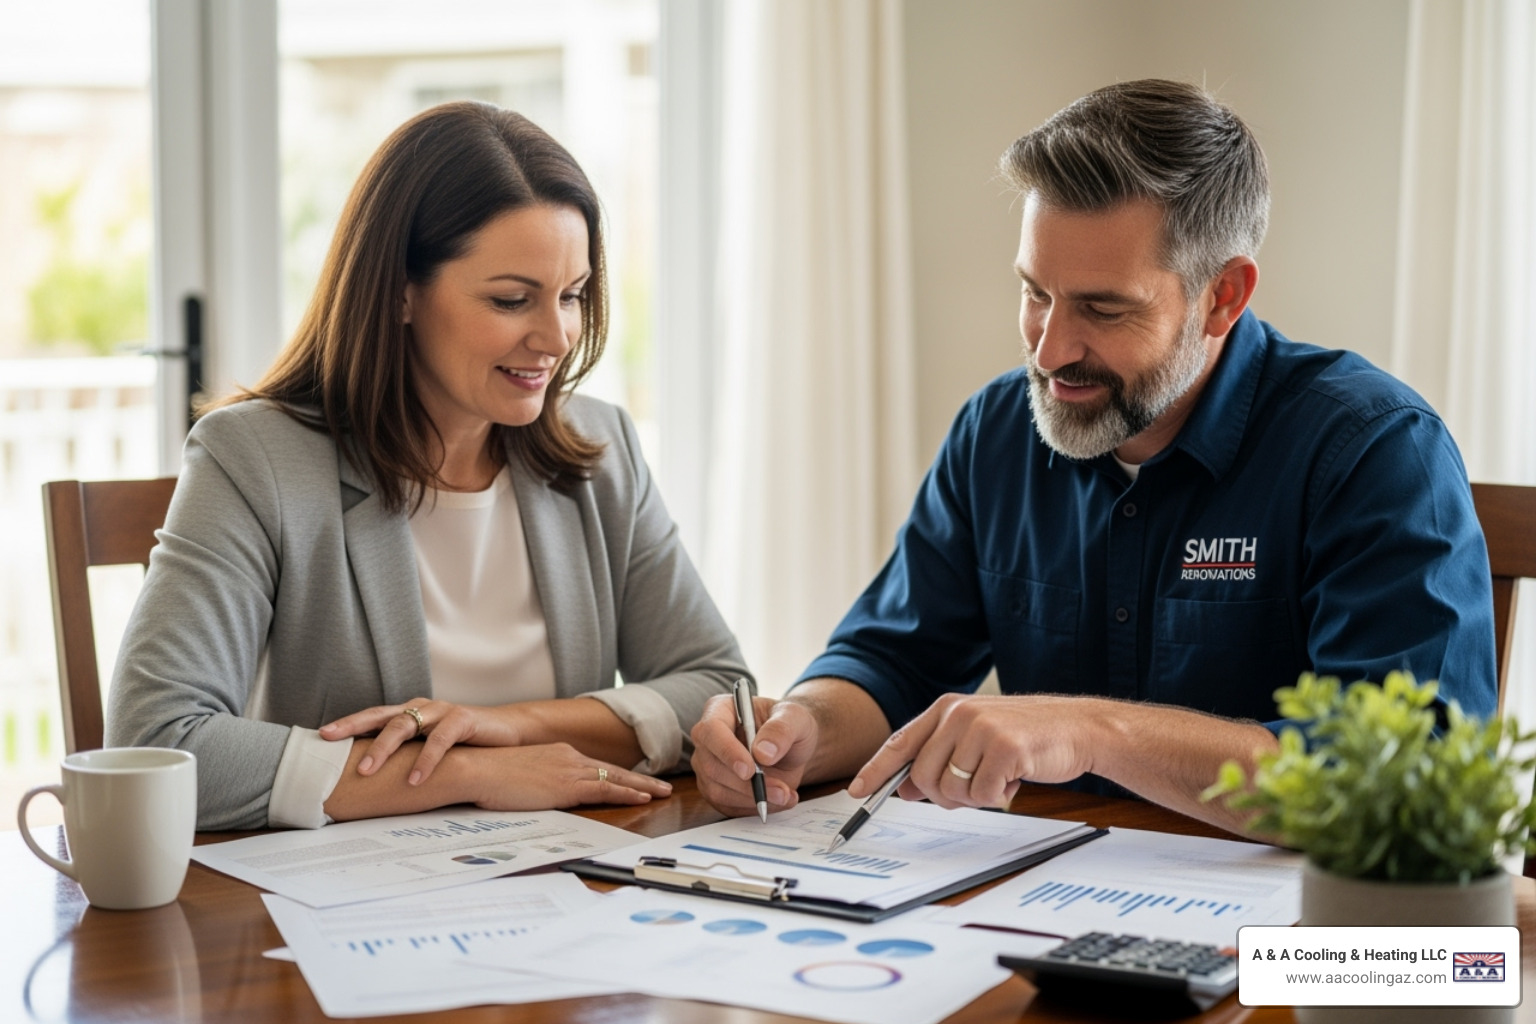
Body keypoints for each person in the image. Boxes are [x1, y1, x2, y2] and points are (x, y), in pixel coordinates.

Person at [690, 79, 1497, 835]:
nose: (1049, 350)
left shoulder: (1373, 450)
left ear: (1223, 297)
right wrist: (804, 727)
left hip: (1308, 947)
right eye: (1035, 292)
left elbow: (1403, 789)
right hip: (1048, 904)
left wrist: (1092, 731)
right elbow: (895, 657)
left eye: (1102, 309)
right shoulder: (999, 430)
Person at [108, 102, 751, 831]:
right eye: (512, 299)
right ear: (399, 292)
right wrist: (470, 773)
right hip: (348, 906)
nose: (556, 336)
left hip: (574, 882)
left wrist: (512, 726)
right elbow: (156, 742)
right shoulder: (255, 459)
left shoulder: (602, 448)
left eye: (571, 296)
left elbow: (720, 688)